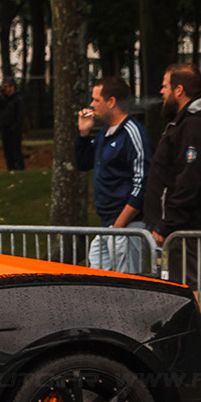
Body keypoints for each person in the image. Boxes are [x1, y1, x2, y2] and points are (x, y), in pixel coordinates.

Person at [147, 64, 201, 284]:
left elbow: (189, 179)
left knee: (187, 289)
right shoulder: (183, 123)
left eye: (165, 87)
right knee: (180, 287)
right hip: (179, 228)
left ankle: (195, 321)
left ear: (178, 90)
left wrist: (167, 224)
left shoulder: (194, 126)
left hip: (185, 228)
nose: (161, 92)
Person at [73, 75, 150, 274]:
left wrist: (120, 224)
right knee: (99, 283)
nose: (91, 104)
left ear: (111, 102)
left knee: (128, 286)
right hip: (107, 224)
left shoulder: (132, 133)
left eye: (96, 100)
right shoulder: (106, 132)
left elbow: (143, 182)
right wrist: (83, 134)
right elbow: (83, 164)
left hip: (126, 226)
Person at [0, 80, 26, 171]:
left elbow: (20, 115)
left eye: (6, 87)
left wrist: (16, 126)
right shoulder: (4, 100)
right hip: (5, 128)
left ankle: (19, 167)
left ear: (12, 87)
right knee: (7, 150)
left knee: (16, 149)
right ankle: (10, 167)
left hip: (14, 129)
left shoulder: (17, 100)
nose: (5, 89)